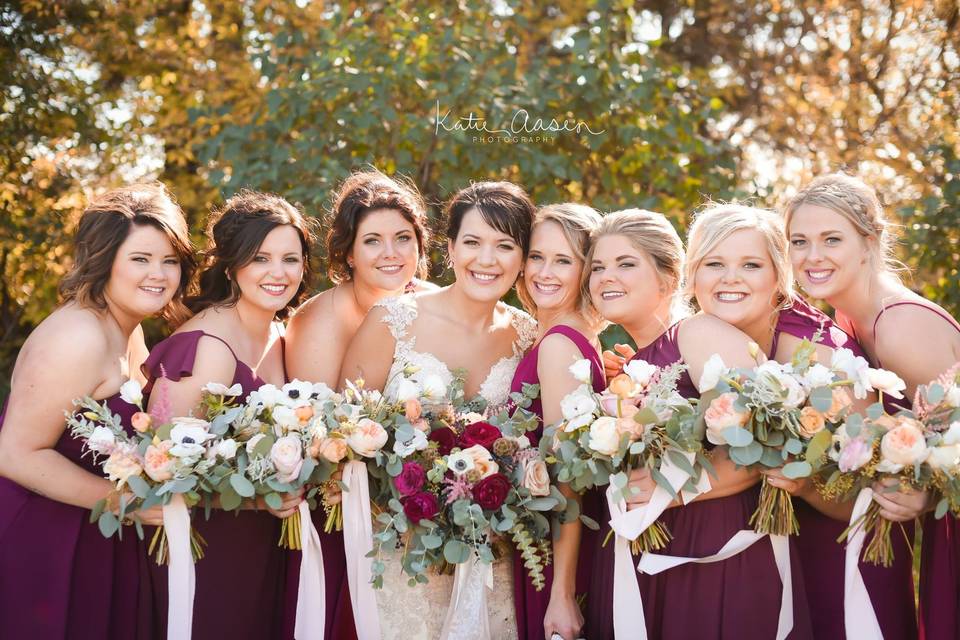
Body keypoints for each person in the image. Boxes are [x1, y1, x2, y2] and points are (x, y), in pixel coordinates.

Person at [684, 202, 910, 639]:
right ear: (693, 274)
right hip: (768, 555)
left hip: (847, 554)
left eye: (751, 264)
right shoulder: (705, 337)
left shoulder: (821, 356)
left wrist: (805, 485)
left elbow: (874, 496)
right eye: (714, 263)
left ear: (778, 276)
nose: (730, 278)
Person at [587, 209, 812, 639]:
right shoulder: (633, 362)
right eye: (598, 266)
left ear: (670, 278)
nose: (605, 277)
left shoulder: (697, 332)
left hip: (714, 554)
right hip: (660, 550)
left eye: (625, 263)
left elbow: (770, 443)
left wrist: (667, 491)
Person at [340, 181, 537, 639]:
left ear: (523, 258)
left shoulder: (528, 335)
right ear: (450, 249)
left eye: (504, 245)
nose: (486, 260)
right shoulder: (393, 319)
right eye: (472, 242)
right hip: (397, 551)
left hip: (493, 553)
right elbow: (345, 433)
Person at [0, 183, 195, 639]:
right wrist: (127, 503)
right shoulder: (77, 336)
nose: (159, 274)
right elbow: (14, 452)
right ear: (105, 259)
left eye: (169, 261)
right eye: (141, 259)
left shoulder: (129, 330)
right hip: (43, 544)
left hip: (98, 535)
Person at [786, 173, 960, 640]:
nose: (812, 256)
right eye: (799, 241)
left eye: (831, 239)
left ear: (870, 241)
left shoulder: (900, 325)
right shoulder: (846, 319)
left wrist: (929, 491)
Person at [142, 190, 310, 639]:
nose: (279, 273)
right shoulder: (206, 351)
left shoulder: (280, 332)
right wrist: (257, 498)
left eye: (290, 259)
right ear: (233, 265)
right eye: (261, 258)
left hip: (263, 545)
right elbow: (160, 476)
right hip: (206, 549)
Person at [284, 168, 435, 639]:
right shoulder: (318, 321)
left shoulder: (435, 304)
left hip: (427, 509)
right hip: (342, 512)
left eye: (403, 238)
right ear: (347, 251)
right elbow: (315, 438)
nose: (390, 253)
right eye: (372, 241)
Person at [508, 203, 604, 640]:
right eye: (536, 256)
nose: (544, 272)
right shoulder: (567, 332)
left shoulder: (559, 344)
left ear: (586, 270)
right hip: (540, 540)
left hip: (551, 553)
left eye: (563, 260)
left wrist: (562, 593)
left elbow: (569, 476)